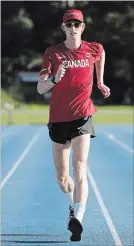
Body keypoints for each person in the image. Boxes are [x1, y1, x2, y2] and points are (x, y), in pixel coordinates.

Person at [37, 9, 110, 242]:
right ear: (63, 28)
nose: (73, 28)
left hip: (83, 115)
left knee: (80, 165)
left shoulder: (93, 49)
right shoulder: (52, 53)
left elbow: (102, 54)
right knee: (62, 178)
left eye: (77, 25)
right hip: (58, 118)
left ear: (83, 27)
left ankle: (77, 217)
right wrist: (55, 78)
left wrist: (100, 80)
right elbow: (40, 88)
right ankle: (72, 204)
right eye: (69, 25)